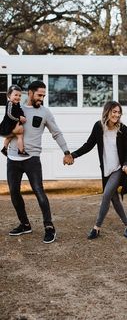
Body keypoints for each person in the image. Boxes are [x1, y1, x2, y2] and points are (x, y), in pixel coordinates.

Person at [6, 80, 73, 243]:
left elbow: (56, 133)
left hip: (32, 159)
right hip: (13, 158)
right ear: (29, 93)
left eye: (43, 95)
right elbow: (4, 130)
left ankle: (49, 227)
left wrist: (66, 152)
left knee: (38, 191)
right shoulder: (16, 109)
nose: (41, 98)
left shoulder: (45, 112)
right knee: (14, 193)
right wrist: (11, 133)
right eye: (39, 95)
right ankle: (25, 224)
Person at [64, 101, 127, 239]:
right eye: (114, 111)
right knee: (114, 199)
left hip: (119, 168)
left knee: (106, 195)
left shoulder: (123, 129)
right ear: (107, 111)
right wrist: (73, 155)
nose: (117, 115)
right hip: (106, 169)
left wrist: (126, 163)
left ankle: (97, 227)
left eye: (119, 112)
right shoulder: (98, 127)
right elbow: (88, 145)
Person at [0, 85, 29, 157]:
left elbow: (20, 111)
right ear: (9, 95)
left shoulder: (17, 104)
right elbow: (9, 114)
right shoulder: (10, 103)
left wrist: (23, 117)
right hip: (8, 124)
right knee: (18, 135)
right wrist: (19, 118)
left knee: (12, 136)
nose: (18, 97)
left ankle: (6, 148)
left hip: (14, 124)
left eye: (19, 95)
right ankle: (20, 150)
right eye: (15, 95)